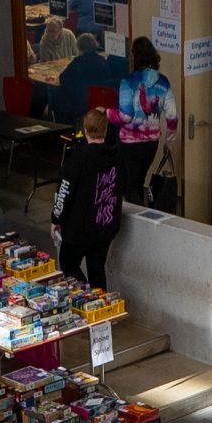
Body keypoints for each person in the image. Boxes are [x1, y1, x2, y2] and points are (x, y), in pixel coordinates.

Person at [49, 107, 123, 288]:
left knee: (68, 264)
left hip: (79, 229)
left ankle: (87, 297)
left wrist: (56, 218)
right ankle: (101, 303)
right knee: (97, 268)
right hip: (106, 225)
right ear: (106, 129)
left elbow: (64, 193)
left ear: (85, 130)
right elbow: (123, 187)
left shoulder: (78, 158)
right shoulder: (118, 158)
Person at [114, 37, 177, 204]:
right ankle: (142, 214)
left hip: (129, 143)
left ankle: (137, 217)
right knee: (139, 182)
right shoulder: (163, 82)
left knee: (130, 187)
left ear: (135, 56)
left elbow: (125, 116)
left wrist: (105, 113)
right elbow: (172, 116)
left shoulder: (128, 81)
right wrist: (169, 142)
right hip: (151, 143)